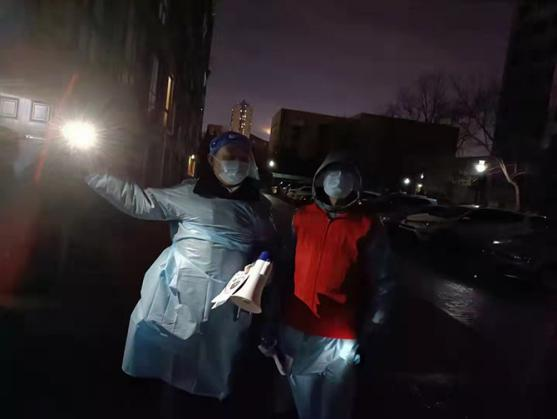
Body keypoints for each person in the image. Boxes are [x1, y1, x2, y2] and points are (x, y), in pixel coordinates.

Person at [85, 131, 276, 404]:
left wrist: (264, 268)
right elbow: (139, 201)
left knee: (214, 360)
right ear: (211, 159)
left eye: (243, 157)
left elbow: (268, 244)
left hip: (228, 299)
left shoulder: (258, 206)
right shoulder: (189, 194)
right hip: (181, 291)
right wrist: (95, 175)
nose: (236, 163)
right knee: (171, 357)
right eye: (229, 156)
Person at [269, 152, 394, 419]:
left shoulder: (367, 225)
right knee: (300, 402)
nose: (338, 179)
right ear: (320, 178)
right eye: (333, 172)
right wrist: (272, 317)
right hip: (296, 327)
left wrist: (374, 325)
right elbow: (285, 269)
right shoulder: (301, 217)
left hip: (340, 334)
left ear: (356, 183)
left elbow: (382, 280)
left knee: (333, 407)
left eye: (346, 173)